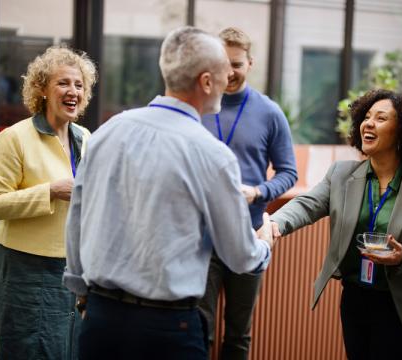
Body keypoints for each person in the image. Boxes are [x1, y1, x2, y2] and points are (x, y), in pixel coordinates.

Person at [63, 26, 274, 360]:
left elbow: (76, 217)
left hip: (100, 322)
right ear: (206, 82)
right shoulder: (213, 155)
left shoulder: (108, 132)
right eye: (222, 74)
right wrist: (264, 242)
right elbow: (240, 257)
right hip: (168, 330)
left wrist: (83, 296)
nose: (227, 81)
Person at [268, 89, 402, 360]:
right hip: (356, 299)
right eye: (366, 117)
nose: (368, 123)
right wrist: (275, 224)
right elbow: (307, 204)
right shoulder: (341, 174)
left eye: (381, 118)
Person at [0, 46, 97, 360]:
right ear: (41, 89)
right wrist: (49, 191)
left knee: (69, 351)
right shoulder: (14, 138)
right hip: (26, 270)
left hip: (72, 269)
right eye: (63, 83)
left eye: (79, 85)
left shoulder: (86, 137)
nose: (73, 90)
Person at [199, 27, 297, 360]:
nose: (230, 71)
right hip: (202, 237)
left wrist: (258, 192)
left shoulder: (269, 112)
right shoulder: (197, 105)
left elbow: (289, 173)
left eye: (237, 64)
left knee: (239, 335)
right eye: (223, 62)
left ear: (250, 63)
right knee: (200, 327)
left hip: (250, 233)